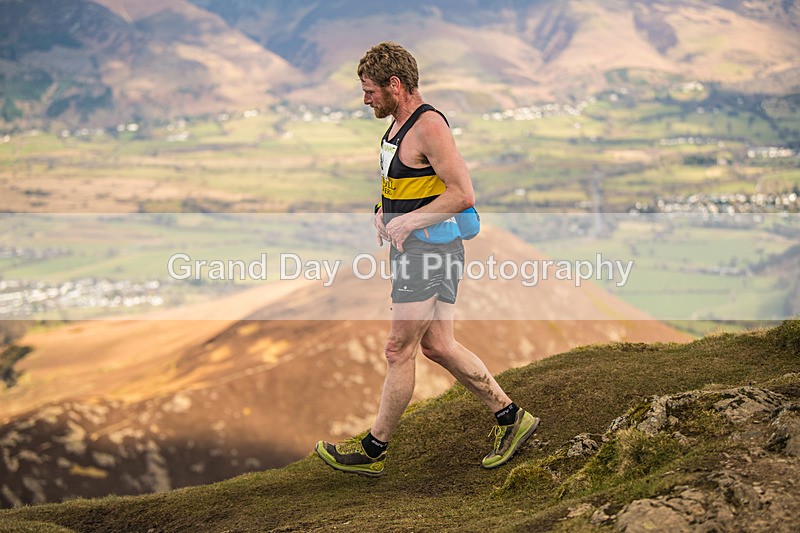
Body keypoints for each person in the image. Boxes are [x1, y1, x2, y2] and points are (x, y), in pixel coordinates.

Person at [315, 42, 539, 477]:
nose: (365, 100)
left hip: (430, 253)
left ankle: (374, 449)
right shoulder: (397, 126)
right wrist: (383, 213)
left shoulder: (429, 126)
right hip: (418, 251)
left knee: (398, 350)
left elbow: (463, 194)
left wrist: (407, 224)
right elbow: (405, 183)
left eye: (370, 91)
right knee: (438, 344)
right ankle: (511, 418)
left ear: (394, 85)